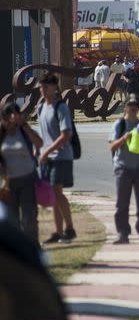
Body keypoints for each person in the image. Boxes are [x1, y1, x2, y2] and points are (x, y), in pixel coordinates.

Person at [38, 73, 77, 244]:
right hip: (47, 157)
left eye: (46, 87)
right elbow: (43, 135)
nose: (43, 90)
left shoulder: (60, 107)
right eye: (41, 87)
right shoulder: (41, 107)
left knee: (57, 192)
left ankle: (70, 229)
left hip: (61, 156)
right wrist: (39, 151)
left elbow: (66, 135)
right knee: (53, 194)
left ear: (55, 87)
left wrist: (47, 152)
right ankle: (58, 231)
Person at [108, 95, 139, 244]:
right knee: (121, 203)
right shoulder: (119, 125)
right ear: (125, 107)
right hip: (123, 168)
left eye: (135, 105)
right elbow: (112, 147)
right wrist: (124, 138)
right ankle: (122, 233)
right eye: (130, 104)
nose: (133, 107)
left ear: (138, 108)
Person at [0, 102, 42, 242]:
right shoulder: (1, 133)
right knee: (12, 219)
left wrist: (25, 126)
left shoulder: (23, 131)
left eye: (15, 113)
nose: (13, 117)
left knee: (29, 217)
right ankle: (18, 253)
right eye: (9, 114)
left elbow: (39, 143)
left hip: (27, 179)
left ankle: (33, 247)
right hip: (7, 183)